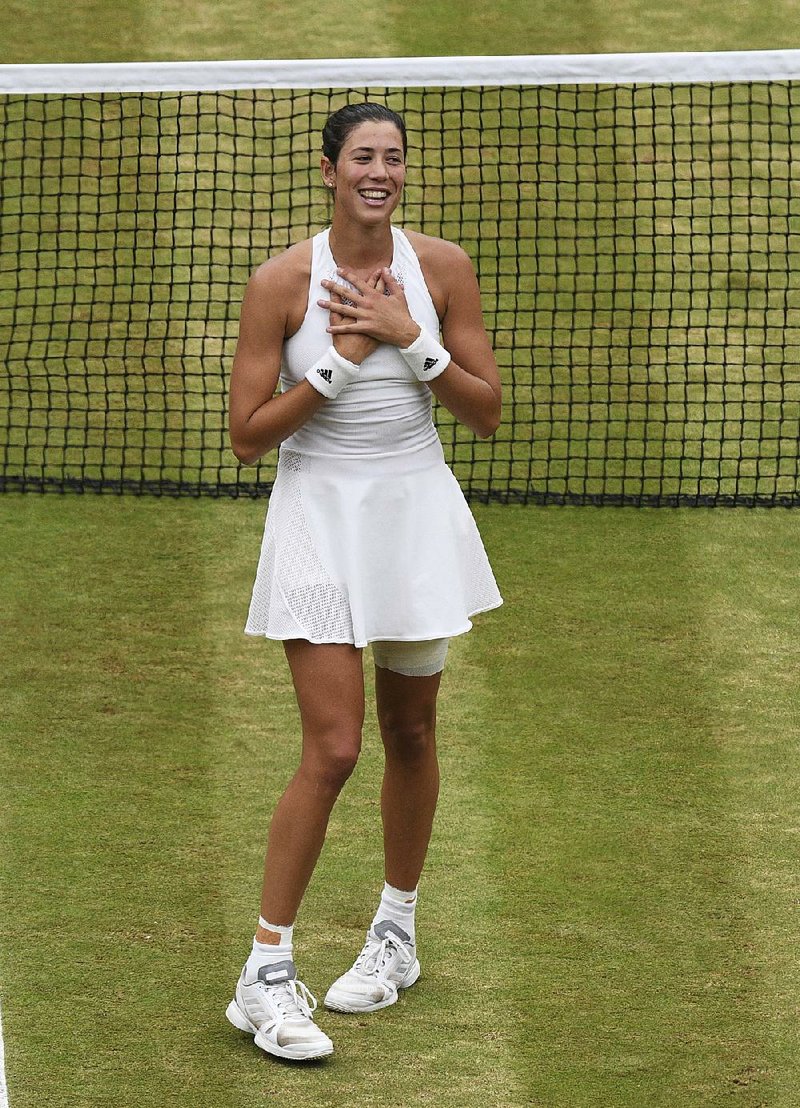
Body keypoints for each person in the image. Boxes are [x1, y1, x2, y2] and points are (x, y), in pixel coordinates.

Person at [225, 102, 503, 1062]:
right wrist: (343, 359)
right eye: (362, 158)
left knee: (412, 731)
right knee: (335, 746)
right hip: (317, 518)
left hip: (415, 512)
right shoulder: (283, 283)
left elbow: (486, 412)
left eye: (393, 158)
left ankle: (396, 934)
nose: (379, 171)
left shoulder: (444, 271)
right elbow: (249, 433)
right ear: (329, 169)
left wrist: (408, 337)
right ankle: (265, 974)